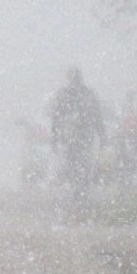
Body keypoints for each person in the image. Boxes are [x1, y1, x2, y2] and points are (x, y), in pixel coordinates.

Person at [49, 66, 107, 205]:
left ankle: (78, 189)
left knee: (74, 163)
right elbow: (97, 116)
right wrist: (102, 134)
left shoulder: (64, 95)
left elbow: (56, 118)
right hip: (83, 136)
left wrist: (55, 138)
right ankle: (81, 190)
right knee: (83, 164)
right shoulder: (88, 94)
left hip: (72, 137)